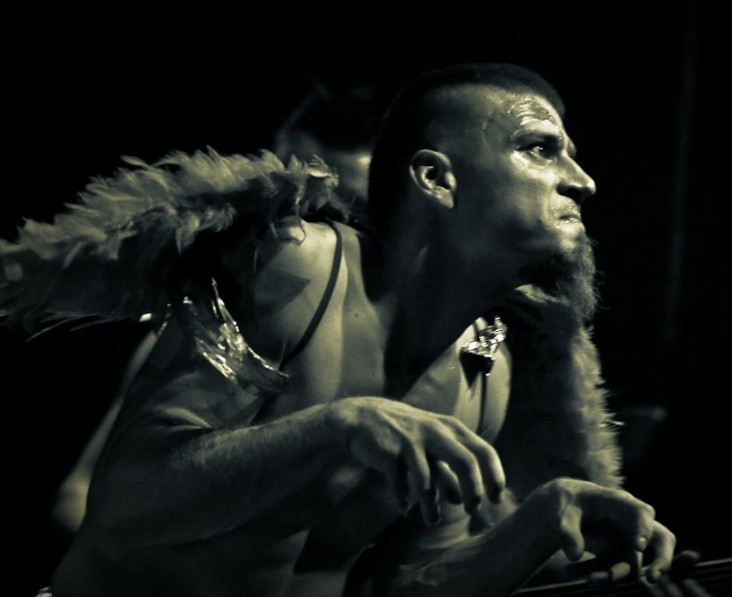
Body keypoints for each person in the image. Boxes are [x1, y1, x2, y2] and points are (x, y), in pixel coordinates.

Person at [3, 63, 675, 596]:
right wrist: (340, 426)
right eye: (541, 149)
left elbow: (402, 587)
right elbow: (121, 511)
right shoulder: (297, 265)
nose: (583, 182)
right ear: (437, 179)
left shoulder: (486, 365)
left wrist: (541, 522)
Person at [48, 78, 384, 538]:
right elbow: (81, 494)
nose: (303, 230)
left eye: (346, 212)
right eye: (291, 202)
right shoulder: (210, 329)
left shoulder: (453, 345)